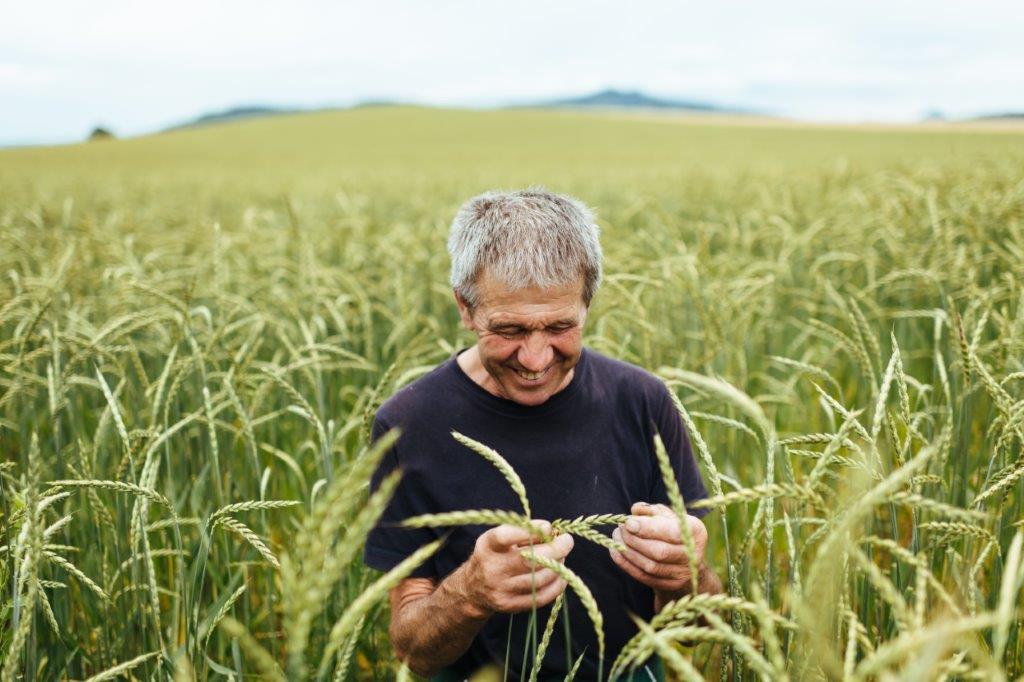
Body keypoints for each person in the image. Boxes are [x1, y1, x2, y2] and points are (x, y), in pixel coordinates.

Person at [363, 188, 723, 680]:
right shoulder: (407, 425)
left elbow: (703, 624)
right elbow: (413, 651)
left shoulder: (643, 402)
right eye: (509, 330)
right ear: (465, 308)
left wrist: (687, 577)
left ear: (587, 304)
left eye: (560, 326)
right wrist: (468, 593)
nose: (535, 360)